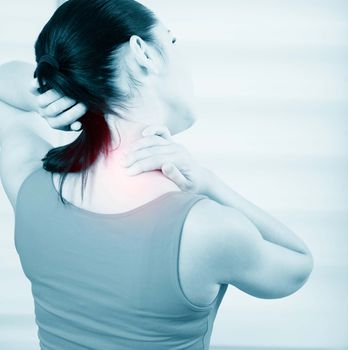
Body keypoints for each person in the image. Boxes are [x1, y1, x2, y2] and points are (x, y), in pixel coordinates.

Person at [0, 0, 314, 349]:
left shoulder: (30, 187)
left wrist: (44, 94)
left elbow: (3, 91)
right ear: (143, 53)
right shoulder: (207, 228)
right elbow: (298, 266)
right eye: (172, 41)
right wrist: (208, 181)